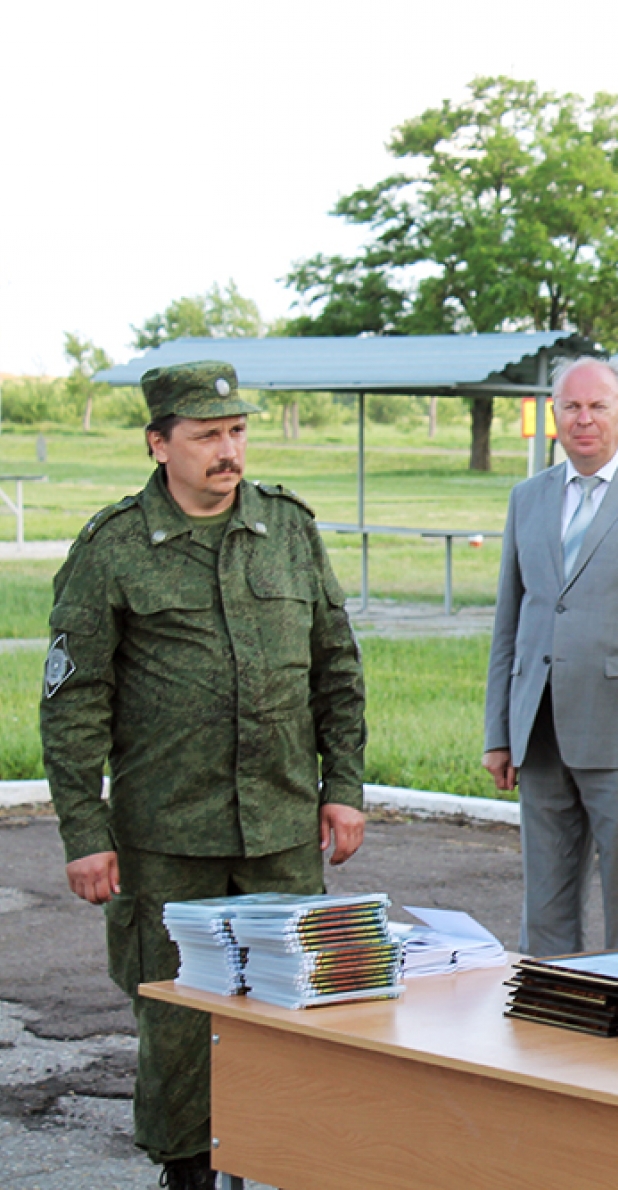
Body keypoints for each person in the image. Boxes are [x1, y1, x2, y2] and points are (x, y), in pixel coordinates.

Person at [39, 359, 367, 1190]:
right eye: (206, 435)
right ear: (160, 445)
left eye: (235, 432)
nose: (227, 451)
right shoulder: (113, 548)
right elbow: (75, 701)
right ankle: (187, 1172)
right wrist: (86, 833)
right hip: (165, 836)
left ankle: (283, 1161)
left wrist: (344, 789)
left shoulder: (288, 527)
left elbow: (337, 667)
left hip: (281, 828)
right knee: (180, 1021)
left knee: (295, 1008)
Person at [483, 357, 618, 955]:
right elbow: (511, 622)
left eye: (597, 406)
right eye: (571, 407)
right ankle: (552, 1019)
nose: (584, 419)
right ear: (552, 416)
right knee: (545, 902)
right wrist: (499, 733)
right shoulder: (527, 498)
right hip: (541, 730)